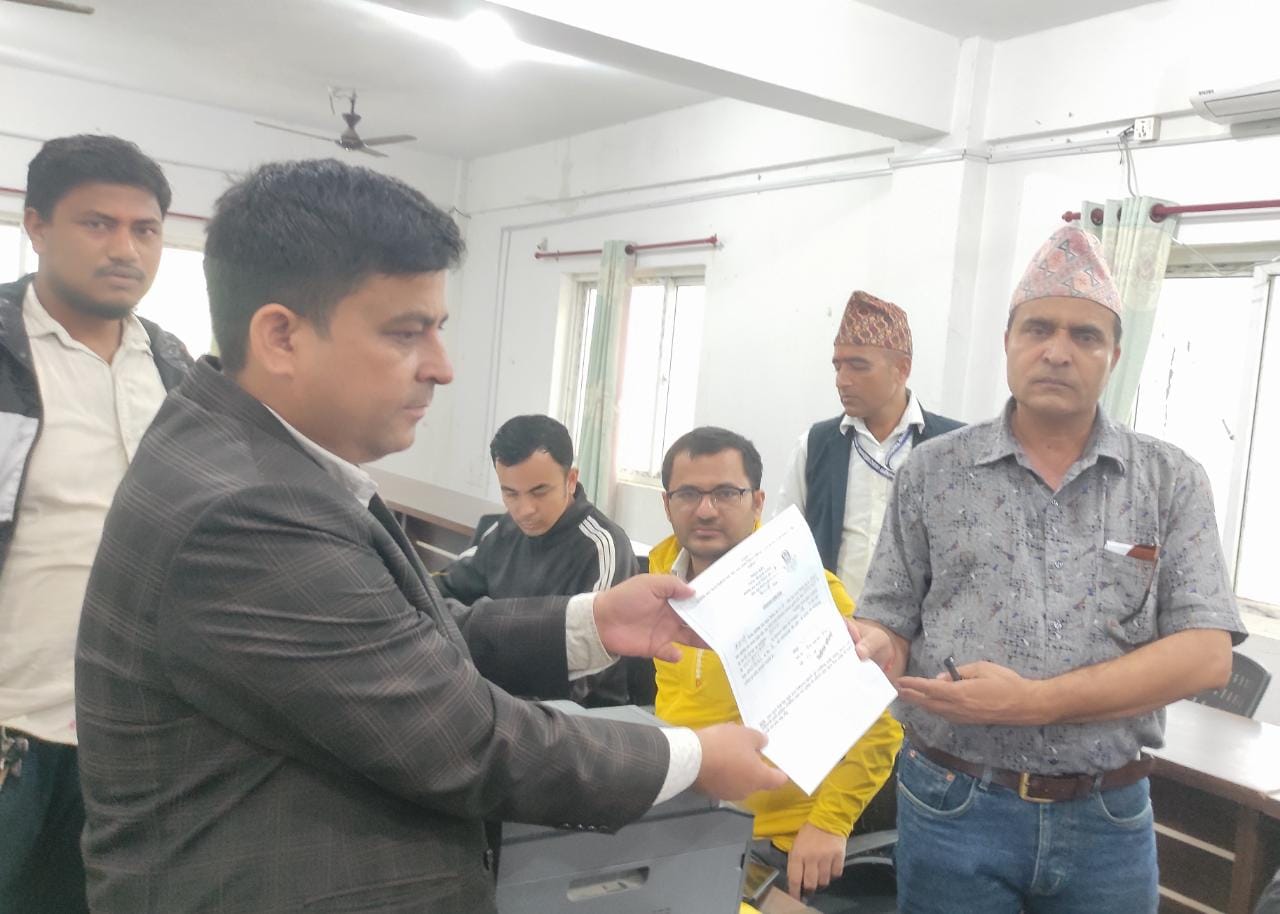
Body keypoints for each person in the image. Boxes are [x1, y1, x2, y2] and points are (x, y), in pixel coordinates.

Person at [74, 158, 786, 913]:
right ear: (281, 336)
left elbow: (403, 638)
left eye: (438, 330)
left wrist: (591, 622)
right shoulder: (246, 511)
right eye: (406, 334)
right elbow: (466, 742)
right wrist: (692, 756)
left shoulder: (257, 458)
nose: (443, 368)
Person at [850, 224, 1246, 913]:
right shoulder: (933, 473)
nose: (1057, 351)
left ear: (1115, 355)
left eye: (1084, 336)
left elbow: (1207, 656)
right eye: (1038, 329)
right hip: (952, 803)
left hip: (1107, 814)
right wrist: (872, 644)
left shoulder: (1169, 480)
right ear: (1007, 342)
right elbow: (890, 618)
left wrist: (1031, 702)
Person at [0, 135, 190, 914]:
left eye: (144, 230)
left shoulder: (174, 369)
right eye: (97, 224)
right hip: (11, 726)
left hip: (134, 737)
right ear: (37, 226)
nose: (125, 249)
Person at [651, 426, 902, 899]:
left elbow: (881, 727)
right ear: (666, 504)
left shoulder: (803, 589)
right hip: (681, 824)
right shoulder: (658, 584)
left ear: (758, 502)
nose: (706, 510)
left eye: (726, 493)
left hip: (774, 843)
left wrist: (829, 824)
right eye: (688, 494)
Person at [435, 414, 637, 705]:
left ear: (571, 480)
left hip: (578, 714)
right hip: (501, 697)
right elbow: (439, 591)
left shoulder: (603, 546)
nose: (524, 510)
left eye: (539, 491)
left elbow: (586, 675)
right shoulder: (503, 531)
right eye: (510, 493)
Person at [775, 290, 961, 600]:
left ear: (902, 369)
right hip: (834, 624)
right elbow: (783, 544)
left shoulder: (952, 447)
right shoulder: (816, 446)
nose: (842, 380)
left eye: (858, 366)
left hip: (919, 627)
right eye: (838, 366)